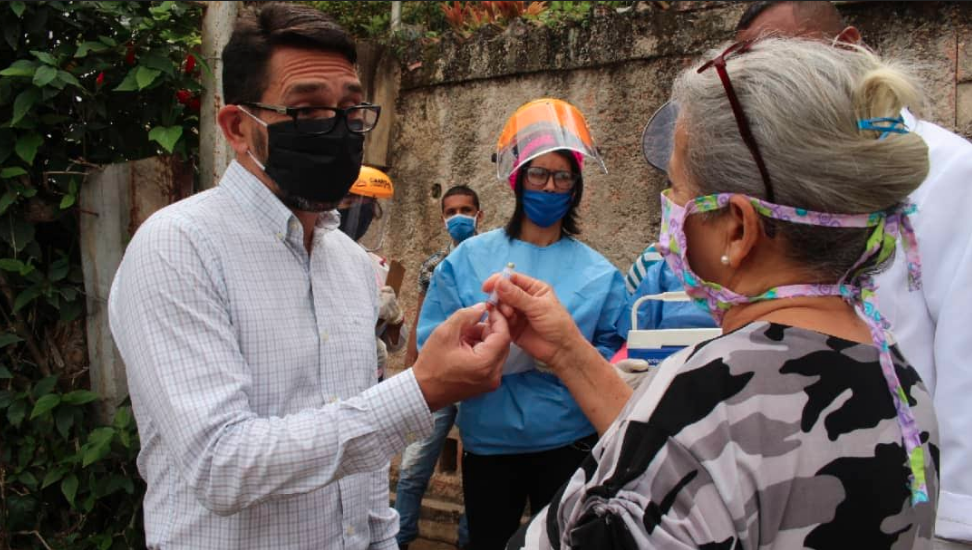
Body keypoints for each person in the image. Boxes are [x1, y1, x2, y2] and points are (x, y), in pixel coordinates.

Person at [490, 38, 940, 549]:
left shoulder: (703, 398)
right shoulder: (899, 377)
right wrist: (568, 352)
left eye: (677, 189)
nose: (669, 212)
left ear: (737, 231)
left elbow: (691, 444)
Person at [108, 4, 511, 548]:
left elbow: (361, 468)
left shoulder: (347, 262)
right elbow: (221, 464)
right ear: (238, 127)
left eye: (350, 108)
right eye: (307, 111)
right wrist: (420, 390)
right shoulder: (177, 247)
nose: (338, 129)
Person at [736, 4, 972, 548]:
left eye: (786, 56)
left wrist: (952, 525)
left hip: (924, 506)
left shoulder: (949, 173)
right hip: (822, 488)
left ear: (847, 46)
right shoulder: (797, 179)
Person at [417, 98, 626, 550]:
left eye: (562, 176)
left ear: (575, 186)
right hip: (489, 445)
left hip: (569, 440)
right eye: (538, 174)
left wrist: (564, 357)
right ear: (517, 178)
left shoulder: (600, 273)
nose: (549, 186)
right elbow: (432, 341)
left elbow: (616, 352)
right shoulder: (468, 259)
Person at [396, 184, 482, 550]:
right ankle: (399, 537)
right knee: (415, 462)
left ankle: (466, 541)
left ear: (481, 214)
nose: (458, 217)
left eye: (466, 209)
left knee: (476, 470)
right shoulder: (432, 265)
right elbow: (420, 314)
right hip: (436, 374)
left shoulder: (490, 260)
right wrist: (410, 363)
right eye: (451, 212)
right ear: (443, 217)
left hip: (477, 378)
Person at [337, 166, 407, 382]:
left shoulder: (378, 267)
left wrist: (395, 320)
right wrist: (358, 344)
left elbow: (397, 345)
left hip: (372, 382)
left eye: (365, 204)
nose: (357, 211)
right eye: (349, 200)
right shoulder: (312, 259)